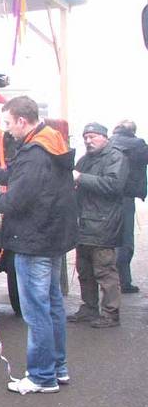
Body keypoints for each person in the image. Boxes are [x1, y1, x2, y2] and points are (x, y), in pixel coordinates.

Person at [0, 95, 77, 394]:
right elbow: (19, 175)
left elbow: (13, 201)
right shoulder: (49, 142)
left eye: (7, 123)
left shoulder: (35, 152)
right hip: (51, 239)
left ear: (22, 121)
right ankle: (58, 369)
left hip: (34, 241)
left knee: (37, 312)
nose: (7, 130)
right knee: (52, 307)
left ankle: (41, 377)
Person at [67, 122, 129, 328]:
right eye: (85, 137)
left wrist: (80, 177)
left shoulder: (115, 157)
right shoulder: (86, 159)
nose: (88, 140)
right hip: (83, 224)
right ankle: (89, 308)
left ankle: (111, 314)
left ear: (105, 137)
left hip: (104, 224)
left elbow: (113, 185)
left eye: (92, 136)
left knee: (104, 271)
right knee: (84, 269)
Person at [108, 120, 148, 293]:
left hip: (107, 194)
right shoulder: (139, 145)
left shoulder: (108, 142)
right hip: (126, 197)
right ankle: (123, 282)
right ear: (133, 131)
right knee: (125, 240)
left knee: (109, 238)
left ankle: (111, 280)